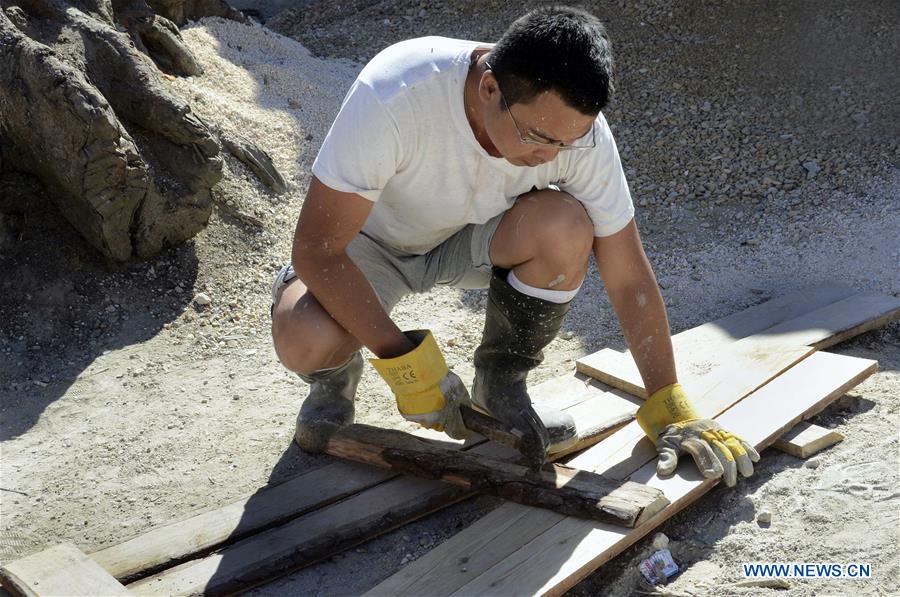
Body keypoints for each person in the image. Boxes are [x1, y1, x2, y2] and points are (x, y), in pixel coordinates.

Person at [271, 6, 759, 485]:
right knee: (306, 336)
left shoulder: (573, 133)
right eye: (536, 136)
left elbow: (627, 271)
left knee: (565, 224)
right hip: (368, 246)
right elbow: (317, 249)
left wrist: (668, 403)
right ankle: (331, 388)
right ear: (489, 88)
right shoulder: (397, 92)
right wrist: (409, 367)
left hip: (471, 240)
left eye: (566, 144)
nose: (549, 156)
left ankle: (501, 387)